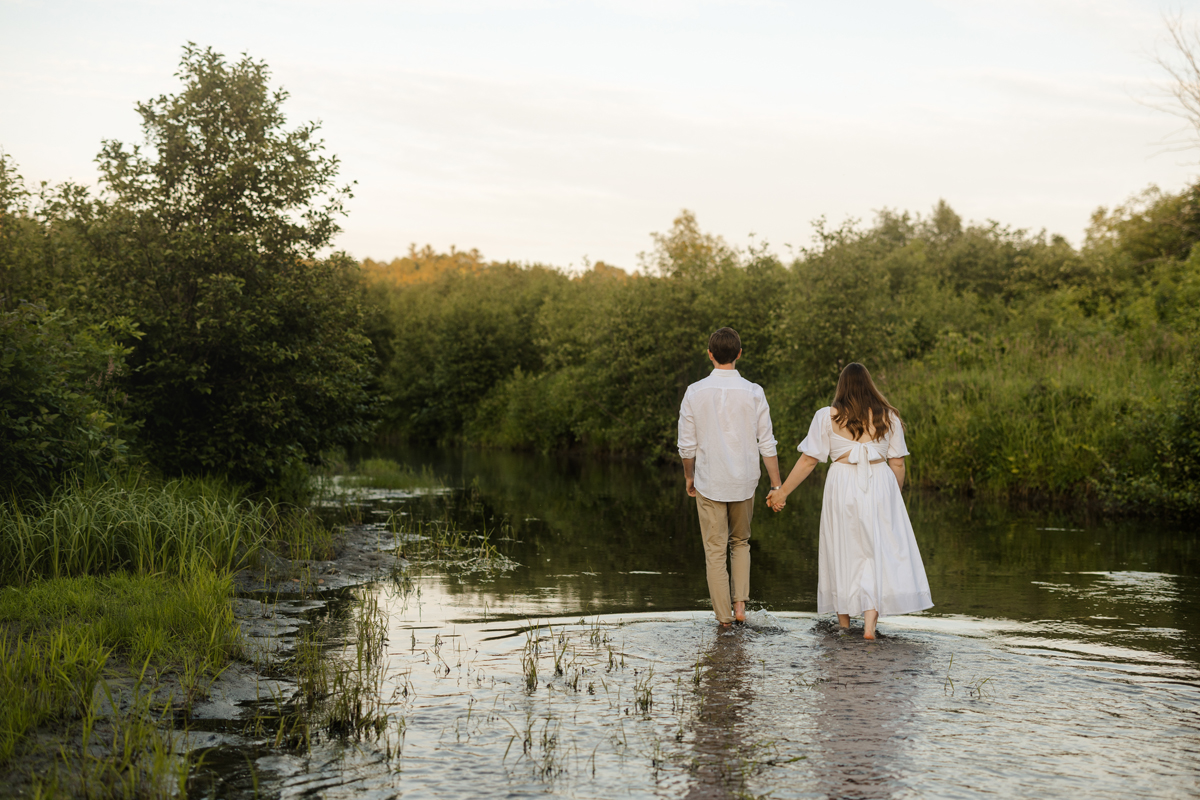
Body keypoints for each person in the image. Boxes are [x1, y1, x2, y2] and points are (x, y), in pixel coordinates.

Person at [766, 362, 932, 639]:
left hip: (842, 484)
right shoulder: (888, 416)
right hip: (880, 484)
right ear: (870, 386)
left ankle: (843, 625)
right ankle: (869, 628)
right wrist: (895, 496)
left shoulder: (826, 417)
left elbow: (808, 461)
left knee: (841, 549)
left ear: (841, 387)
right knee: (875, 552)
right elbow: (898, 463)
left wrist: (782, 492)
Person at [678, 327, 782, 627]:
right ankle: (740, 609)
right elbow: (768, 443)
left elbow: (687, 446)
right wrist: (776, 486)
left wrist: (689, 477)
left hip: (709, 482)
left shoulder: (695, 392)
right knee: (741, 543)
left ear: (710, 355)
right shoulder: (754, 391)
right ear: (739, 353)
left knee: (714, 552)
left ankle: (723, 621)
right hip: (744, 482)